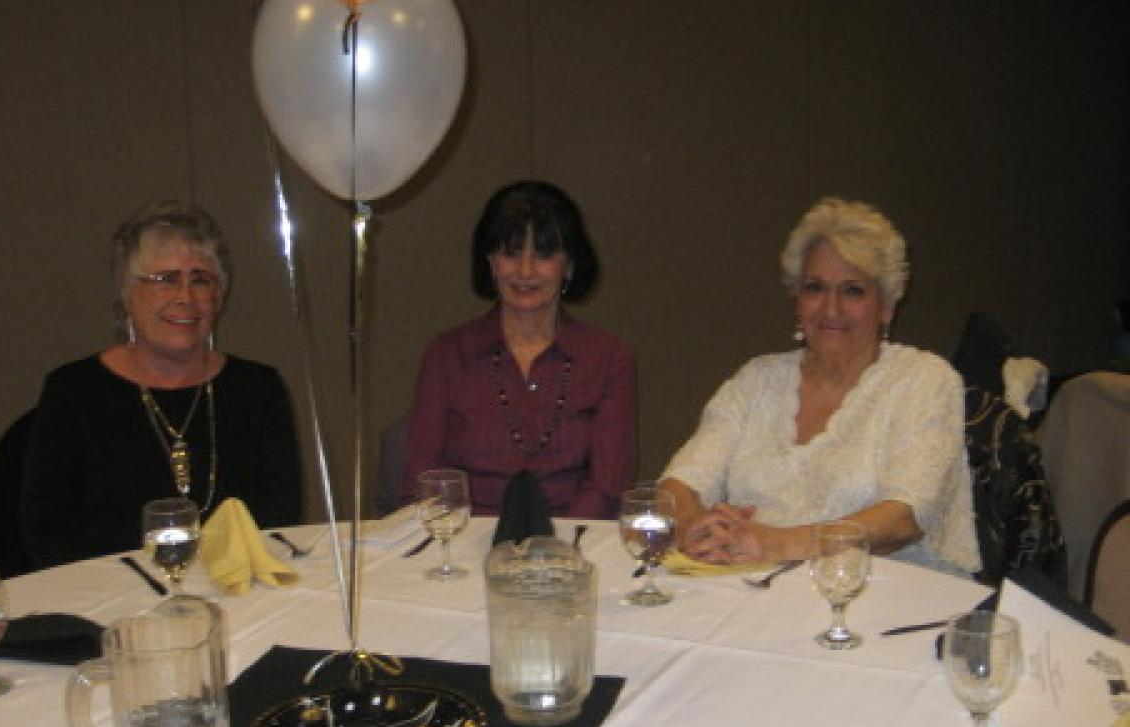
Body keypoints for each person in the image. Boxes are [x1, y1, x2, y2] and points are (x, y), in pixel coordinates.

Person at [661, 197, 980, 576]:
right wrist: (694, 524)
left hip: (887, 596)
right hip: (760, 588)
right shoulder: (756, 381)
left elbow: (902, 519)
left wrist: (776, 542)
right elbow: (679, 484)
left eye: (853, 291)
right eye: (815, 287)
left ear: (887, 306)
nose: (831, 309)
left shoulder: (924, 380)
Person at [21, 201, 302, 567]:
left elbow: (278, 523)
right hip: (109, 601)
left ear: (217, 297)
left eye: (200, 279)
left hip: (236, 595)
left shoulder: (258, 389)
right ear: (127, 295)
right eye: (166, 279)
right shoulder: (74, 392)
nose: (185, 297)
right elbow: (49, 536)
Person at [401, 180, 636, 519]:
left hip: (575, 546)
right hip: (466, 548)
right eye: (510, 253)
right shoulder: (446, 356)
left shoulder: (609, 358)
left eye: (543, 254)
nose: (525, 271)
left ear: (569, 264)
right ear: (490, 262)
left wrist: (550, 551)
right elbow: (420, 485)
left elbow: (608, 486)